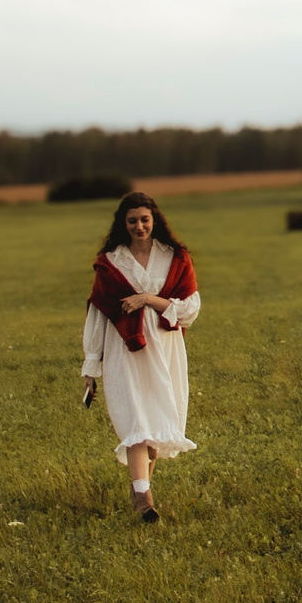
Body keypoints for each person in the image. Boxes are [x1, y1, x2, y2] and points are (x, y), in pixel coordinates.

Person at [80, 191, 202, 520]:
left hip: (164, 347)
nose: (139, 226)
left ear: (154, 220)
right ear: (124, 223)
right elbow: (98, 313)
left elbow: (190, 309)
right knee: (136, 420)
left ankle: (141, 483)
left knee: (156, 423)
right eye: (132, 220)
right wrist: (91, 365)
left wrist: (147, 298)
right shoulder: (112, 260)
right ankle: (143, 499)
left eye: (144, 220)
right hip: (125, 349)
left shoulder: (174, 256)